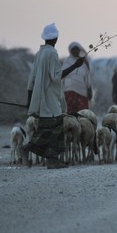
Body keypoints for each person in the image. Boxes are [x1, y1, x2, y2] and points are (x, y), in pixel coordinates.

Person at [20, 23, 86, 169]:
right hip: (50, 98)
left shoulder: (39, 54)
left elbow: (31, 79)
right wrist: (75, 66)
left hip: (40, 98)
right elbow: (56, 77)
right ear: (56, 38)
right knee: (52, 128)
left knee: (50, 127)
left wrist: (30, 100)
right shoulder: (52, 53)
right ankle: (28, 149)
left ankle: (52, 160)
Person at [62, 42, 93, 114]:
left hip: (82, 92)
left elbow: (87, 77)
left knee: (82, 115)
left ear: (80, 50)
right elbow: (61, 76)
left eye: (77, 49)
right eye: (74, 49)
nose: (75, 51)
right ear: (70, 50)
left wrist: (89, 89)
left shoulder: (83, 62)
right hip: (69, 91)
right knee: (70, 115)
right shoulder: (67, 62)